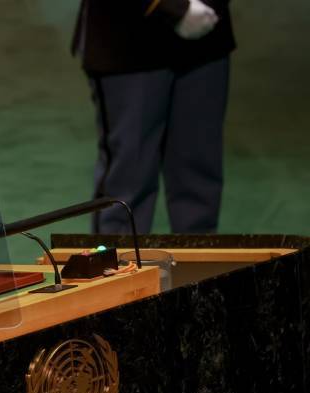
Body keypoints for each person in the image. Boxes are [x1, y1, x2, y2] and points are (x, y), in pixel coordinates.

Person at [72, 0, 235, 233]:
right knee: (127, 189)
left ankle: (198, 258)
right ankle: (121, 259)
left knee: (200, 186)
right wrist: (175, 7)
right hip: (129, 43)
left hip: (206, 37)